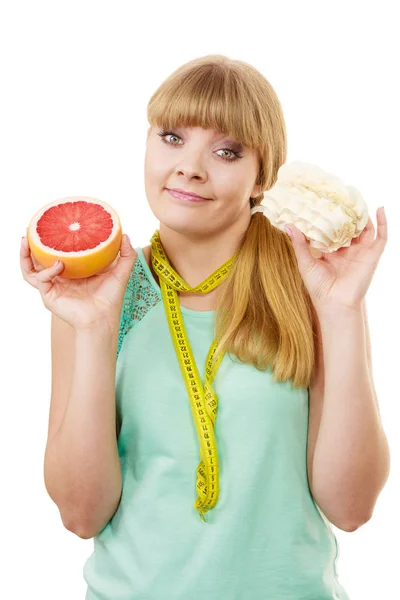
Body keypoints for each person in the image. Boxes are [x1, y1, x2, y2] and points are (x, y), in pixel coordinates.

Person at [20, 54, 355, 599]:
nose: (190, 167)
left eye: (227, 151)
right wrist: (94, 331)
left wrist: (345, 314)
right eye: (171, 137)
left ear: (262, 175)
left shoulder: (312, 288)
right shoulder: (96, 297)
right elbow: (81, 516)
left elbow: (352, 507)